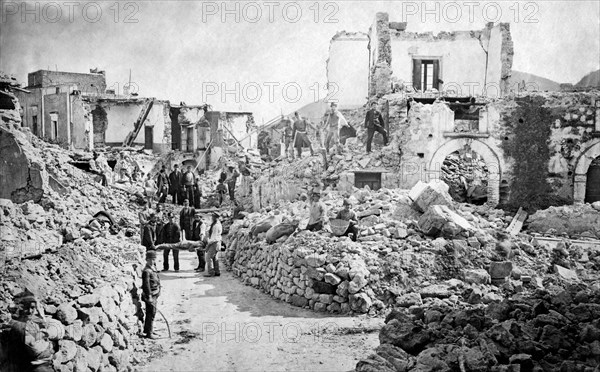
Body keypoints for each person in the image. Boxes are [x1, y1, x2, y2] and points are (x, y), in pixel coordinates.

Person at [6, 292, 55, 372]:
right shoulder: (19, 326)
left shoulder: (31, 321)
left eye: (32, 308)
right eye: (26, 307)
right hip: (33, 367)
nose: (29, 311)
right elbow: (36, 350)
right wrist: (49, 344)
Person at [141, 250, 161, 339]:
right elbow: (146, 285)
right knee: (150, 313)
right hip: (151, 295)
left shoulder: (153, 268)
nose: (153, 261)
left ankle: (149, 329)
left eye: (154, 259)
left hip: (155, 293)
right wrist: (149, 296)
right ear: (147, 260)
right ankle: (149, 333)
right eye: (151, 259)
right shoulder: (146, 271)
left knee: (153, 313)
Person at [204, 212, 222, 277]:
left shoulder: (216, 226)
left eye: (213, 217)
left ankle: (211, 272)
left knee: (209, 257)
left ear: (216, 217)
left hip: (214, 242)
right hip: (217, 242)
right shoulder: (216, 224)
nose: (212, 218)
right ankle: (217, 271)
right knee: (215, 257)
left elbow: (213, 238)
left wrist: (208, 245)